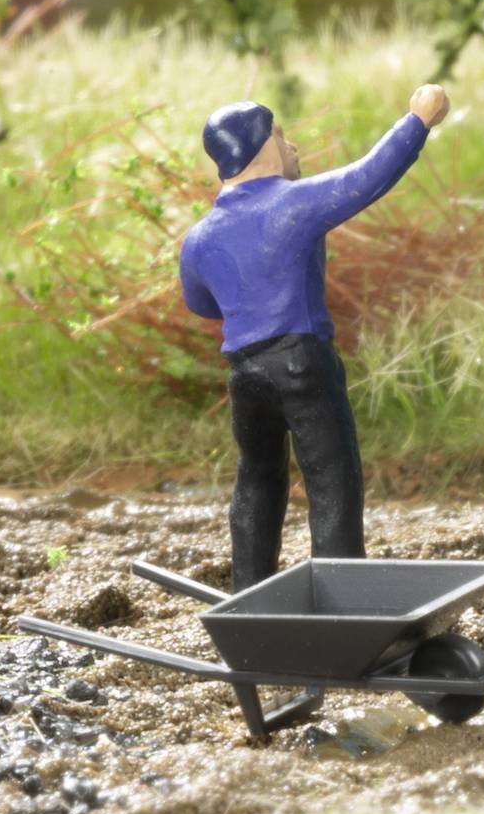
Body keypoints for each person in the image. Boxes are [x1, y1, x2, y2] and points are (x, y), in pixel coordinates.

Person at [179, 84, 449, 588]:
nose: (292, 146)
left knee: (257, 479)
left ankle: (249, 591)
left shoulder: (199, 237)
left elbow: (200, 304)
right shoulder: (294, 203)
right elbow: (366, 177)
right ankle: (342, 594)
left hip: (245, 373)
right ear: (260, 148)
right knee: (331, 480)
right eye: (281, 136)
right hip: (300, 360)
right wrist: (417, 122)